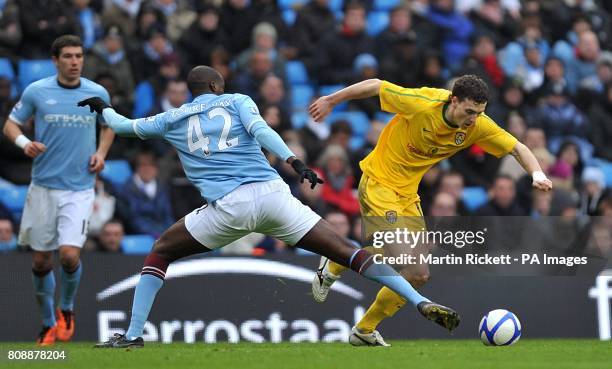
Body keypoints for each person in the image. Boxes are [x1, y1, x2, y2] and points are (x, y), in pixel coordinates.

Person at [79, 65, 460, 349]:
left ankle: (132, 334)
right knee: (349, 252)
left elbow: (125, 126)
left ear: (193, 91)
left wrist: (103, 109)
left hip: (228, 209)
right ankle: (420, 301)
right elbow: (261, 131)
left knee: (161, 251)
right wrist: (294, 162)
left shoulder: (170, 118)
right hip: (274, 195)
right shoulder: (239, 100)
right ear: (216, 86)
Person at [308, 74, 553, 346]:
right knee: (402, 258)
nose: (473, 118)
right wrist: (331, 100)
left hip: (407, 195)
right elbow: (376, 85)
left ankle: (363, 327)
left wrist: (537, 173)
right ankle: (338, 259)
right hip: (379, 182)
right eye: (469, 111)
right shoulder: (423, 103)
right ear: (454, 100)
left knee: (419, 274)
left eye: (479, 113)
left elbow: (517, 148)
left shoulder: (477, 126)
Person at [2, 35, 114, 346]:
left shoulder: (97, 92)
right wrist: (25, 143)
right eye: (68, 56)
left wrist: (101, 154)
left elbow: (109, 125)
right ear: (55, 60)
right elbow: (10, 124)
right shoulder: (38, 91)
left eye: (79, 55)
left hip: (79, 189)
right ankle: (48, 323)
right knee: (40, 262)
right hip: (42, 189)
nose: (75, 61)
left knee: (67, 256)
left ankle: (66, 310)